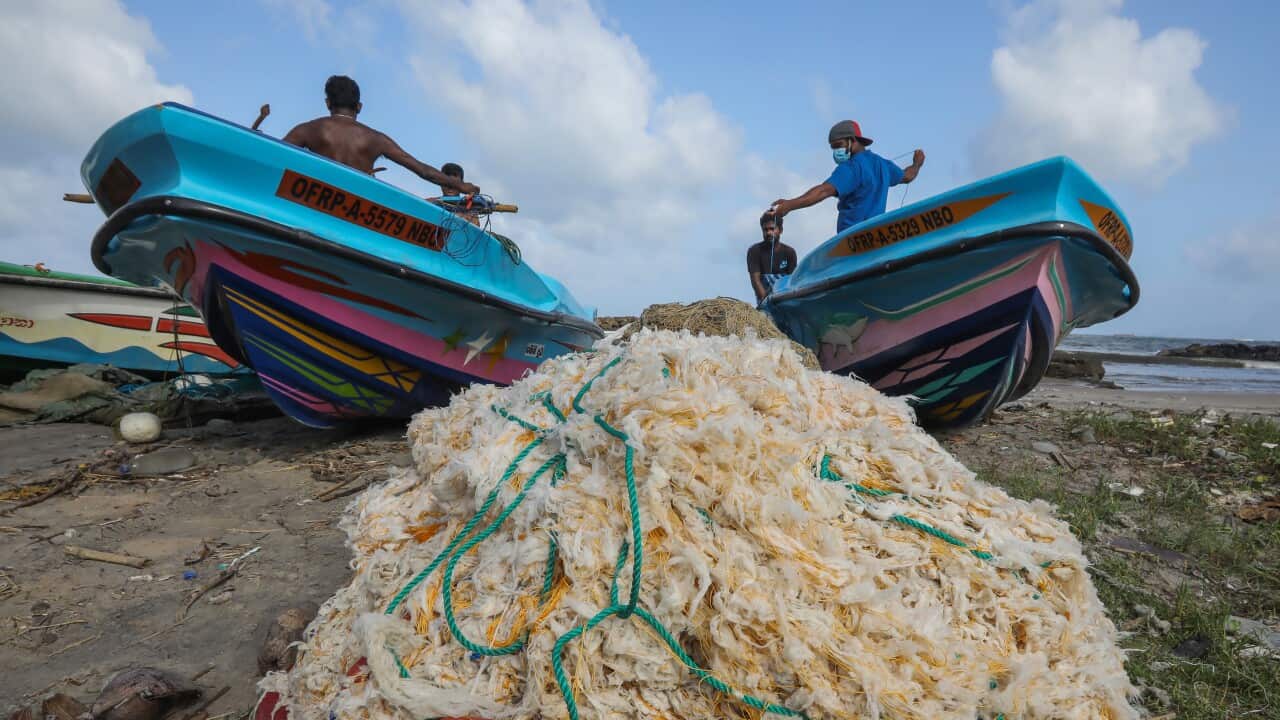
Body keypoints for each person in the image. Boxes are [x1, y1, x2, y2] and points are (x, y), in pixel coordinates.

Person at [283, 75, 478, 195]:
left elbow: (274, 153)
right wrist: (460, 185)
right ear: (359, 106)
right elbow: (422, 170)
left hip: (312, 202)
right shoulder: (376, 139)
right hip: (356, 212)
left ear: (327, 103)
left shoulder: (308, 130)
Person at [770, 120, 924, 234]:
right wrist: (917, 163)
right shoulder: (882, 164)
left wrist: (790, 205)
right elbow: (908, 176)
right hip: (877, 235)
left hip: (851, 239)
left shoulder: (851, 168)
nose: (836, 151)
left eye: (838, 145)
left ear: (853, 141)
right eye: (833, 148)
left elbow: (823, 191)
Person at [747, 212, 797, 303]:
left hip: (786, 299)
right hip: (765, 302)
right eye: (765, 230)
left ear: (780, 230)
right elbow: (755, 280)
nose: (769, 233)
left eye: (772, 229)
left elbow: (792, 281)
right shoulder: (754, 251)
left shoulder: (789, 252)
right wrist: (767, 302)